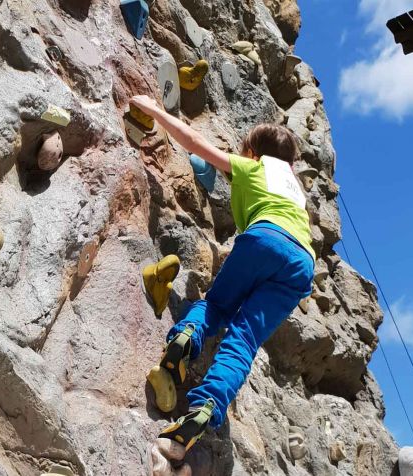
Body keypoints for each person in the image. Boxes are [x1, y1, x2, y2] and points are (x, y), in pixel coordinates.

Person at [129, 95, 316, 452]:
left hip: (265, 237)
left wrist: (154, 110)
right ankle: (207, 405)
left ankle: (186, 336)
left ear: (250, 152)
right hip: (301, 263)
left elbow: (195, 143)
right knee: (245, 339)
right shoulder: (295, 189)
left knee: (216, 306)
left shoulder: (254, 167)